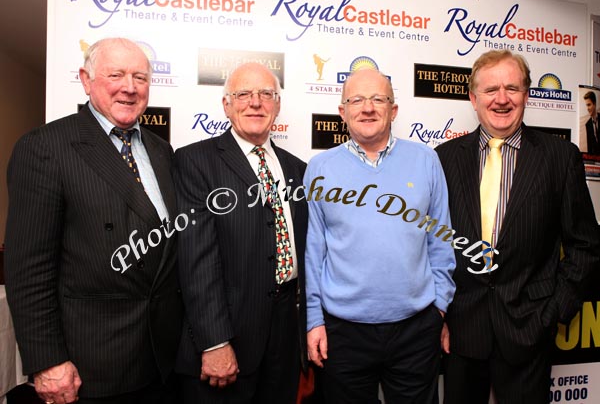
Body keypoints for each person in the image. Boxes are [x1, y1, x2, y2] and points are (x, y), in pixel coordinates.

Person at [4, 38, 182, 404]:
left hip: (162, 361)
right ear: (86, 80)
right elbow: (28, 269)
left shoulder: (162, 151)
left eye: (140, 77)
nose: (129, 87)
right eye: (115, 74)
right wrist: (48, 361)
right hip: (91, 367)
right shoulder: (47, 147)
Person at [435, 50, 600, 403]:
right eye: (491, 89)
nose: (502, 98)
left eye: (513, 87)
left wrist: (552, 313)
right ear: (473, 98)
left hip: (530, 330)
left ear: (527, 95)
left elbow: (585, 245)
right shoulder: (443, 158)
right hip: (462, 333)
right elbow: (430, 245)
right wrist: (441, 315)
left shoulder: (559, 158)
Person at [304, 67, 456, 403]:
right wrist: (314, 320)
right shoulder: (320, 168)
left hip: (416, 330)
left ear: (394, 110)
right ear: (342, 112)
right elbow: (314, 251)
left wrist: (439, 310)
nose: (367, 108)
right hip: (343, 333)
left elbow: (441, 241)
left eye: (378, 99)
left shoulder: (426, 161)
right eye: (356, 100)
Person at [174, 62, 308, 404]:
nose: (255, 102)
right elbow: (196, 261)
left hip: (285, 335)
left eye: (266, 94)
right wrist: (215, 341)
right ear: (227, 105)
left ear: (277, 104)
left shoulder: (297, 169)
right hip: (229, 333)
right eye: (243, 94)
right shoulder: (195, 161)